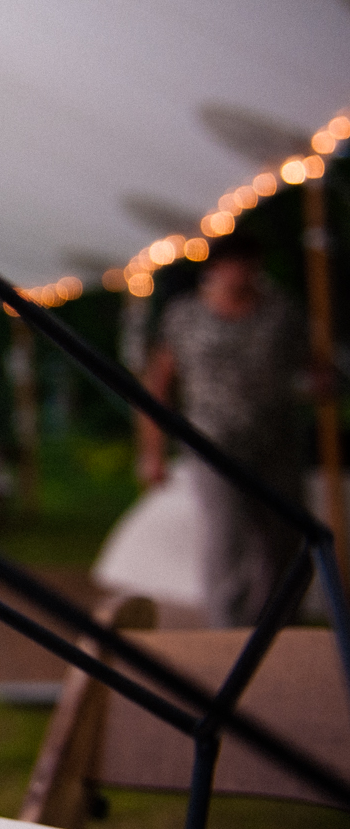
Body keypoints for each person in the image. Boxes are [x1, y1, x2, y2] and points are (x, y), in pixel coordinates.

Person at [137, 232, 309, 627]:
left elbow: (309, 363)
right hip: (212, 442)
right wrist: (152, 452)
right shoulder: (185, 316)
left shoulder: (281, 312)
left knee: (283, 538)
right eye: (234, 262)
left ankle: (273, 623)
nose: (243, 272)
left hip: (276, 439)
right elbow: (159, 382)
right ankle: (226, 627)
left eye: (250, 262)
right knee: (226, 536)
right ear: (214, 267)